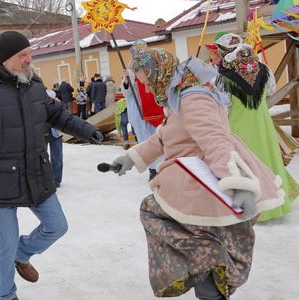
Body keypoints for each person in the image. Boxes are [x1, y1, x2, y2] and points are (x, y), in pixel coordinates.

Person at [0, 31, 103, 300]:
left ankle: (23, 254)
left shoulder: (33, 83)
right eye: (23, 55)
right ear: (5, 59)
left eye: (29, 53)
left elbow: (56, 113)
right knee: (6, 243)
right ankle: (6, 294)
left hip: (35, 172)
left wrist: (87, 129)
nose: (29, 59)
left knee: (57, 226)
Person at [107, 48, 284, 299]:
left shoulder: (193, 97)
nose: (146, 89)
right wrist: (131, 158)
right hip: (195, 176)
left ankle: (209, 272)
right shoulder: (179, 92)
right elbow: (164, 136)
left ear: (159, 72)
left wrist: (238, 185)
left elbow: (215, 140)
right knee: (199, 237)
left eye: (146, 82)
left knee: (163, 217)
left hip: (205, 180)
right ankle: (207, 273)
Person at [213, 32, 299, 223]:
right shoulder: (263, 69)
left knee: (246, 164)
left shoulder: (222, 78)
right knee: (267, 159)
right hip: (262, 124)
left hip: (238, 126)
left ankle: (255, 208)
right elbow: (270, 90)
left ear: (225, 51)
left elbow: (223, 105)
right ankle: (277, 203)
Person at [119, 40, 166, 181]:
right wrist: (126, 80)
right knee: (146, 141)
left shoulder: (150, 64)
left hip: (154, 107)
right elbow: (126, 92)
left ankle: (163, 167)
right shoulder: (131, 69)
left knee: (159, 139)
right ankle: (153, 170)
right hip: (140, 111)